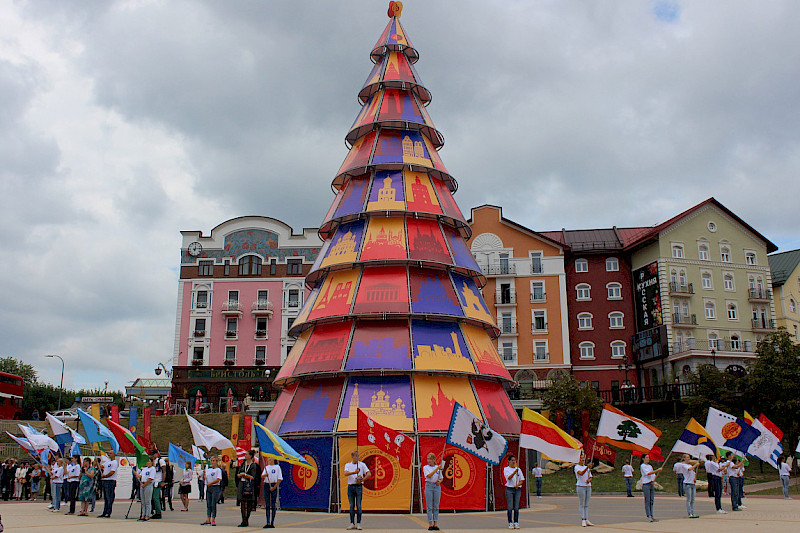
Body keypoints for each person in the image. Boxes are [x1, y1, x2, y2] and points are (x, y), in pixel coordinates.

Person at [343, 450, 371, 530]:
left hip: (358, 486)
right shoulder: (348, 465)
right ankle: (352, 523)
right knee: (351, 505)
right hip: (351, 486)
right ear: (352, 457)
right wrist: (354, 472)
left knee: (358, 505)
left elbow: (369, 474)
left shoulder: (362, 465)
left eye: (357, 456)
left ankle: (358, 523)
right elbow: (345, 473)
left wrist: (362, 480)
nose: (356, 458)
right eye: (355, 456)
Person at [236, 450, 260, 527]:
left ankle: (247, 519)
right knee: (242, 502)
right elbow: (238, 473)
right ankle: (243, 520)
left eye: (246, 454)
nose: (245, 456)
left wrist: (245, 475)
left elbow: (253, 476)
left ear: (250, 456)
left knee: (249, 502)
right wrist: (240, 475)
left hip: (249, 485)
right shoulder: (243, 464)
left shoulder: (253, 465)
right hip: (242, 484)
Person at [423, 452, 443, 531]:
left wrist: (440, 481)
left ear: (434, 459)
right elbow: (429, 476)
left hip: (436, 486)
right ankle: (430, 524)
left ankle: (435, 523)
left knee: (436, 506)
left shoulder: (438, 467)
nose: (429, 460)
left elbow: (441, 477)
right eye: (428, 459)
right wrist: (437, 469)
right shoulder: (426, 467)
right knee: (429, 506)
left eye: (430, 459)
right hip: (429, 486)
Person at [640, 454, 663, 522]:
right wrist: (657, 470)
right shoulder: (642, 466)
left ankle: (652, 515)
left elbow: (653, 475)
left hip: (651, 484)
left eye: (648, 457)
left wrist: (653, 480)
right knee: (647, 500)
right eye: (646, 457)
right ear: (643, 459)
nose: (648, 459)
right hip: (646, 484)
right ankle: (648, 515)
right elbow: (648, 473)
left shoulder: (650, 466)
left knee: (651, 500)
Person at [202, 456, 223, 526]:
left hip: (215, 487)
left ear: (216, 462)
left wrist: (210, 483)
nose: (212, 462)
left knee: (213, 503)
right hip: (209, 488)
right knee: (208, 503)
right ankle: (208, 519)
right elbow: (204, 479)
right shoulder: (208, 470)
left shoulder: (218, 470)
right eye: (211, 461)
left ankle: (213, 519)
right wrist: (203, 474)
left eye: (214, 461)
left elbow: (218, 479)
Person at [504, 454, 524, 530]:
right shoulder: (506, 469)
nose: (513, 462)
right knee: (510, 507)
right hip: (509, 489)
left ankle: (516, 522)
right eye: (512, 460)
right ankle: (510, 522)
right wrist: (514, 472)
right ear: (509, 461)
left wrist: (518, 485)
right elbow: (508, 478)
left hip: (517, 489)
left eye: (514, 460)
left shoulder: (519, 469)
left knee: (516, 507)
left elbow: (522, 480)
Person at [262, 457, 283, 529]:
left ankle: (272, 522)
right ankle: (267, 521)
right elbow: (262, 475)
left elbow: (280, 479)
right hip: (267, 485)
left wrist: (274, 487)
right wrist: (265, 475)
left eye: (271, 459)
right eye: (268, 459)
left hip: (273, 484)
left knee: (273, 504)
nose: (269, 460)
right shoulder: (266, 467)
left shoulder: (277, 467)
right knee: (267, 504)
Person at [678, 454, 700, 518]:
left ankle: (692, 512)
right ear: (684, 458)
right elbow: (690, 469)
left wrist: (694, 478)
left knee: (693, 499)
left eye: (689, 457)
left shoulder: (690, 465)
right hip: (687, 484)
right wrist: (696, 465)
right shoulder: (683, 465)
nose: (688, 459)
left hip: (692, 483)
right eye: (687, 457)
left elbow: (693, 472)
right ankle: (689, 513)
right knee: (689, 499)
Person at [574, 452, 593, 527]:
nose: (582, 460)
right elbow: (581, 473)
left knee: (586, 504)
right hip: (580, 486)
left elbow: (590, 476)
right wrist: (587, 467)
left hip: (587, 486)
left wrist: (589, 480)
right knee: (582, 503)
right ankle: (583, 519)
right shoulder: (577, 467)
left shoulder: (586, 468)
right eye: (581, 459)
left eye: (583, 459)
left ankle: (586, 518)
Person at [99, 450, 118, 517]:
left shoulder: (114, 462)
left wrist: (105, 476)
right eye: (109, 453)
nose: (109, 454)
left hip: (110, 481)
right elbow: (101, 466)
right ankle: (104, 511)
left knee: (109, 497)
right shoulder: (108, 462)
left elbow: (112, 472)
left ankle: (108, 512)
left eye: (110, 453)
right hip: (105, 480)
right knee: (106, 498)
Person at [150, 451, 164, 519]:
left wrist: (162, 481)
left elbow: (164, 471)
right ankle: (153, 510)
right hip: (152, 481)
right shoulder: (152, 462)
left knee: (156, 498)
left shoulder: (160, 461)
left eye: (153, 454)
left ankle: (158, 512)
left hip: (158, 481)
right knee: (152, 498)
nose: (152, 456)